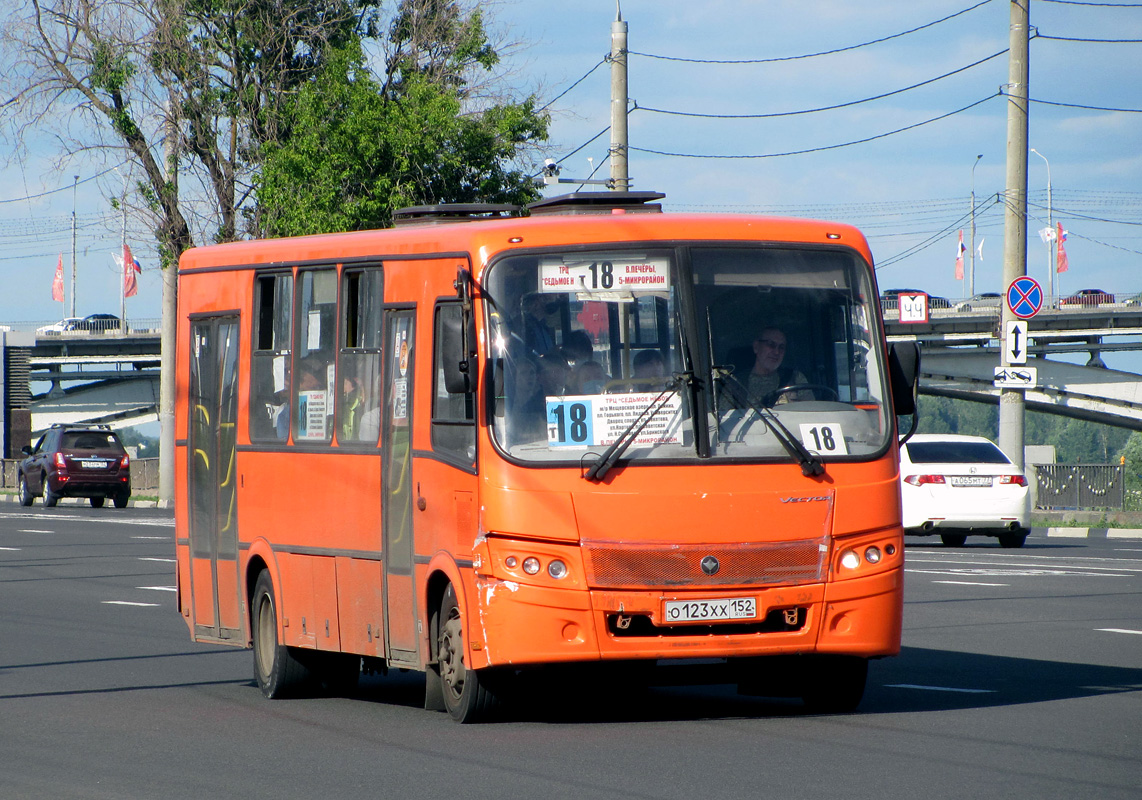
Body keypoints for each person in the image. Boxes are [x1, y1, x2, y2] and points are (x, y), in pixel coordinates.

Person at [744, 327, 811, 406]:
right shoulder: (736, 384)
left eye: (781, 347)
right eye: (771, 344)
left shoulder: (796, 378)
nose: (776, 352)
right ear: (756, 347)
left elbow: (811, 414)